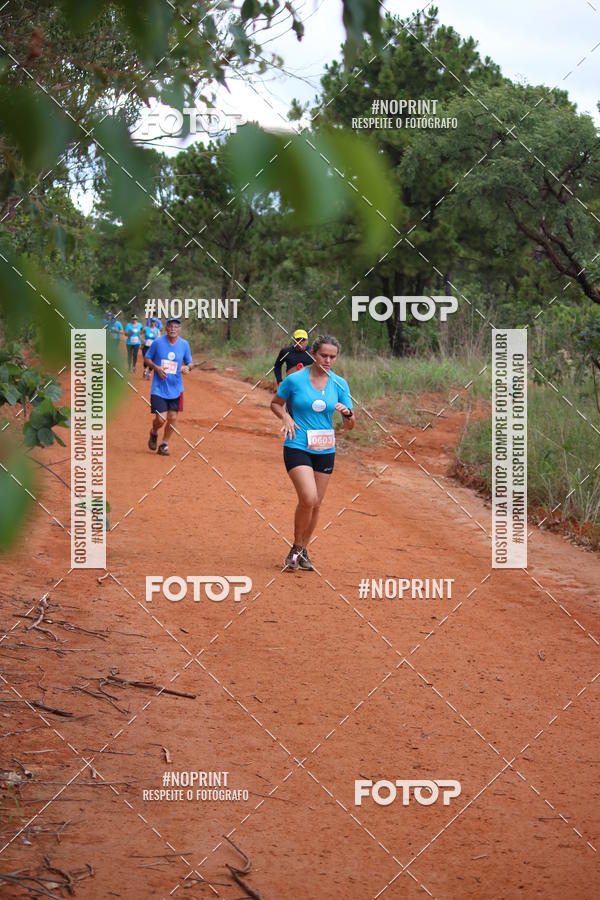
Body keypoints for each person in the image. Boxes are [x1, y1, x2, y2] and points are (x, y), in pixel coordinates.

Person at [270, 335, 355, 571]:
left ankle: (300, 550)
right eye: (323, 355)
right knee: (308, 498)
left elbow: (350, 425)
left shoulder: (340, 384)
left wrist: (347, 414)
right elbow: (275, 403)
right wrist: (285, 416)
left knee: (316, 504)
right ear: (313, 354)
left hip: (325, 448)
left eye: (332, 357)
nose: (327, 360)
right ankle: (296, 549)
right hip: (297, 444)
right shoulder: (295, 379)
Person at [144, 317, 192, 456]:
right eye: (170, 326)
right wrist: (156, 368)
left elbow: (190, 362)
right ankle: (154, 432)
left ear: (179, 329)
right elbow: (147, 358)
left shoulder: (184, 344)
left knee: (172, 417)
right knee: (161, 419)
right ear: (166, 328)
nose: (173, 329)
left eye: (176, 327)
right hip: (159, 388)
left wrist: (188, 368)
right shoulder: (158, 342)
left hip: (176, 388)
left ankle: (164, 444)